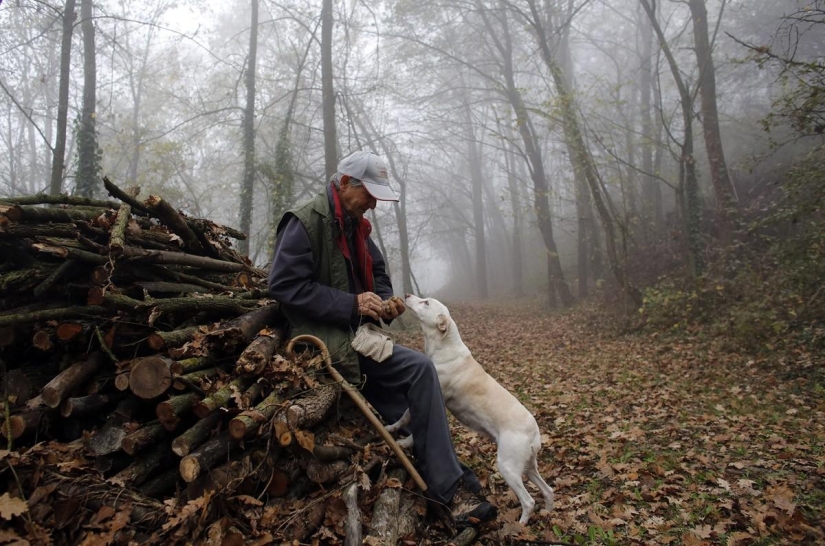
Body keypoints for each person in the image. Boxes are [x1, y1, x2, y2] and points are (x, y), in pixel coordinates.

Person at [268, 150, 497, 527]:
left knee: (418, 379)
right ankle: (453, 489)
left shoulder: (355, 222)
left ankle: (453, 485)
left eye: (377, 197)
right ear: (344, 183)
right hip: (324, 342)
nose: (373, 205)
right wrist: (351, 303)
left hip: (359, 335)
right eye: (369, 194)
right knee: (413, 384)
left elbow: (376, 271)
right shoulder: (305, 221)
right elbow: (284, 286)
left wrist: (386, 301)